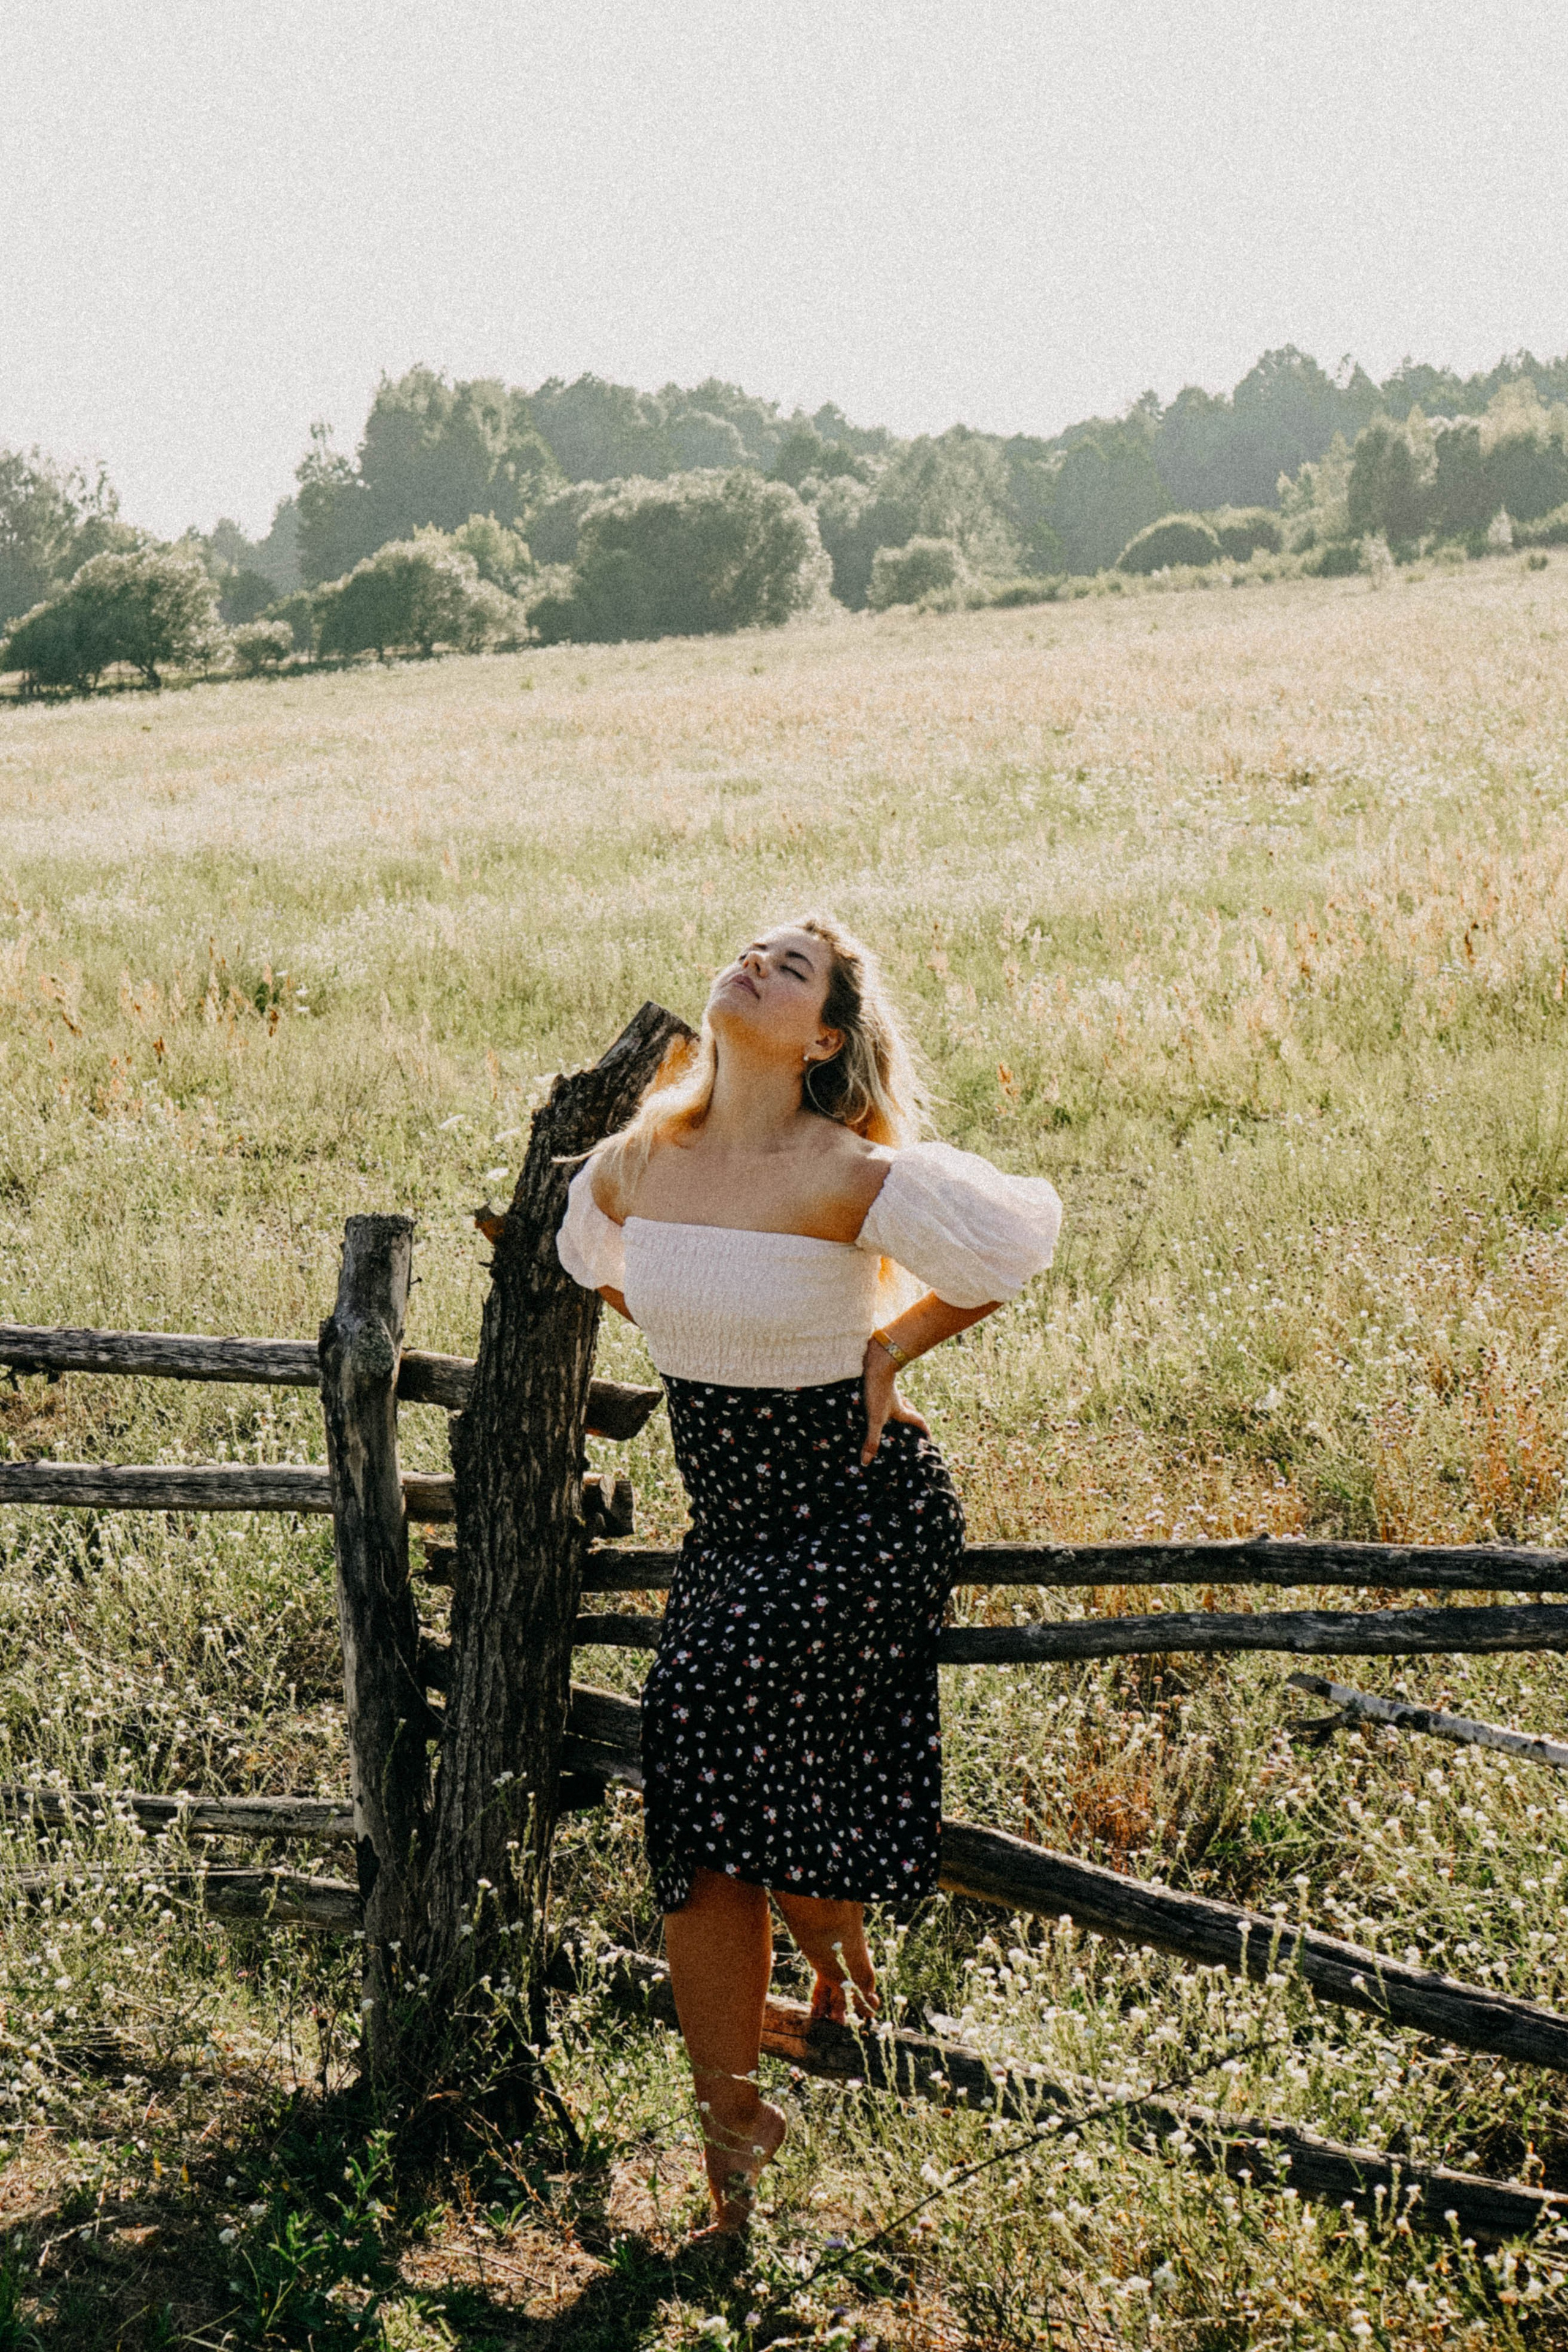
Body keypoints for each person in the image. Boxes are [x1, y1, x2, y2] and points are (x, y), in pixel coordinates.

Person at [556, 913, 1061, 2236]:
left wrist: (888, 1350)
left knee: (698, 1729)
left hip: (860, 1507)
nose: (756, 965)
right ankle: (729, 2138)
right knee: (708, 1819)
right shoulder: (632, 1162)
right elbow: (598, 1267)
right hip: (733, 1524)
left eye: (794, 969)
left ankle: (823, 1941)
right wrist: (705, 1333)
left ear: (823, 1036)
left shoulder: (844, 1168)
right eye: (752, 950)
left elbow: (1004, 1254)